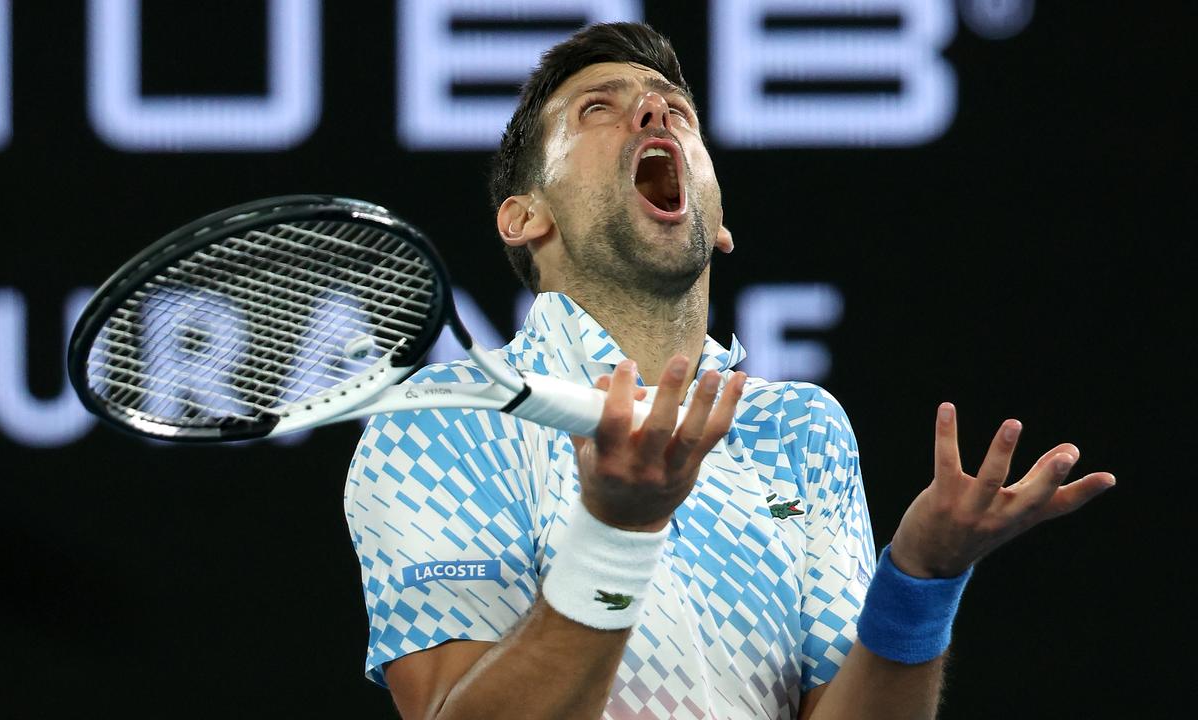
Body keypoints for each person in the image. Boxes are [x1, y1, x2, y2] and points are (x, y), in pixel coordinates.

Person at [344, 22, 1114, 720]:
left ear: (718, 223)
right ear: (524, 217)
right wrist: (617, 534)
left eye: (674, 108)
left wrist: (921, 581)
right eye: (597, 110)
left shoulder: (802, 431)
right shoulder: (441, 427)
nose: (654, 114)